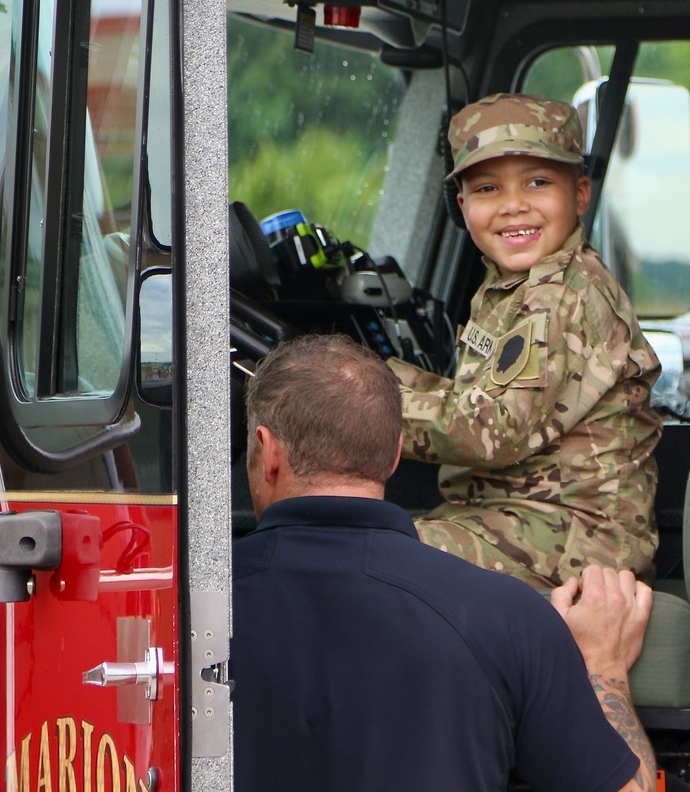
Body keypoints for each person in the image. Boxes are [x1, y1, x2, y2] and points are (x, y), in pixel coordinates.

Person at [232, 334, 657, 792]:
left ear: (268, 451)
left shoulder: (187, 610)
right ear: (394, 454)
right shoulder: (509, 617)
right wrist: (604, 669)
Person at [387, 93, 662, 589]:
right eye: (488, 188)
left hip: (582, 536)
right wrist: (381, 377)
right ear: (463, 205)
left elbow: (492, 430)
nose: (513, 206)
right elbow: (480, 400)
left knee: (376, 561)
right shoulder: (510, 287)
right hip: (516, 514)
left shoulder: (561, 294)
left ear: (580, 194)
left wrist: (364, 407)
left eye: (537, 182)